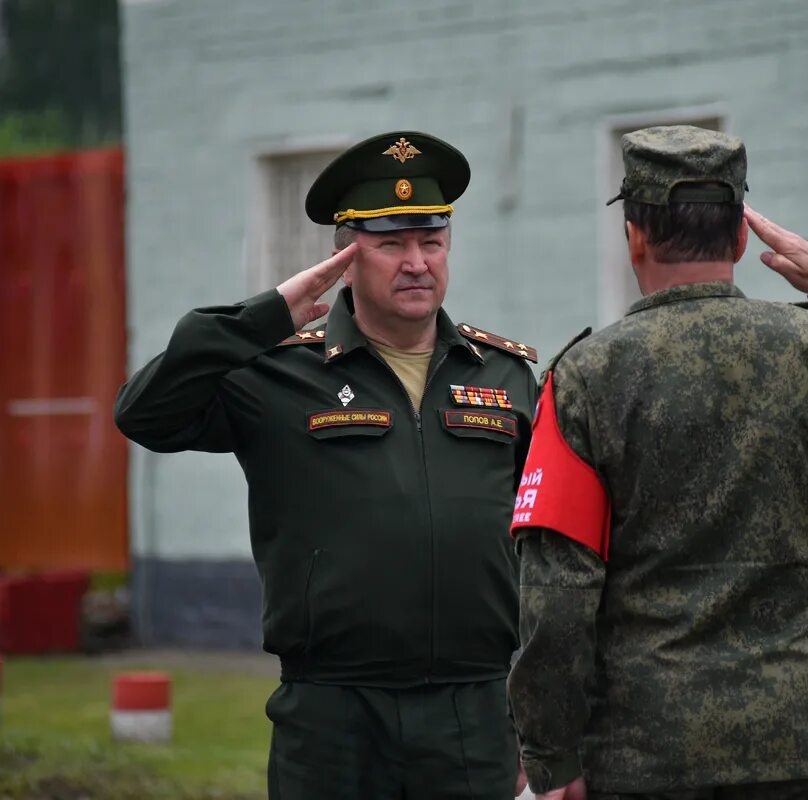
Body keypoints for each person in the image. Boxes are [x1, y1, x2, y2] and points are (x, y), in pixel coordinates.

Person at [506, 125, 808, 800]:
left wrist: (552, 760)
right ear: (738, 238)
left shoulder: (585, 378)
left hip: (644, 757)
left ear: (634, 235)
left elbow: (556, 599)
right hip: (789, 749)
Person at [115, 131, 537, 799]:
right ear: (346, 253)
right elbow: (145, 412)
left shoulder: (507, 378)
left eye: (431, 241)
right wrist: (261, 319)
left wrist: (537, 718)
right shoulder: (280, 372)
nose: (417, 262)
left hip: (473, 712)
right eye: (390, 243)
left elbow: (540, 546)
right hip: (333, 717)